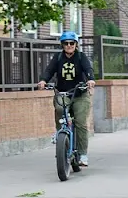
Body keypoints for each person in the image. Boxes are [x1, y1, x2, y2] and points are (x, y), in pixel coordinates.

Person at [36, 31, 96, 167]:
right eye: (66, 43)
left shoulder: (81, 57)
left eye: (71, 43)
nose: (69, 45)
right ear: (62, 45)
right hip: (63, 93)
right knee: (59, 109)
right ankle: (60, 134)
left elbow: (88, 69)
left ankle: (83, 154)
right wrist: (43, 80)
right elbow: (49, 70)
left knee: (80, 122)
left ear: (76, 44)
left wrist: (91, 79)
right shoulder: (58, 57)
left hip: (80, 94)